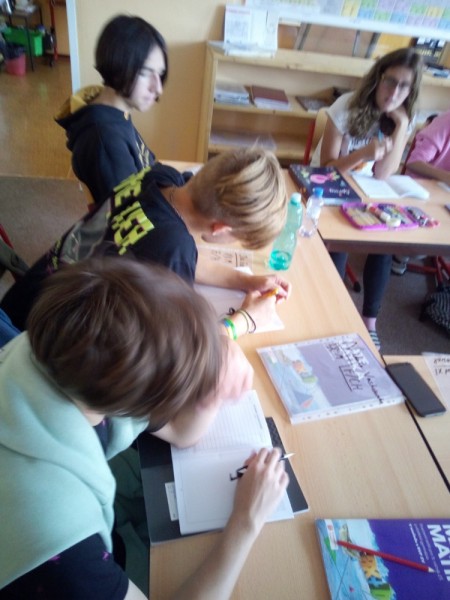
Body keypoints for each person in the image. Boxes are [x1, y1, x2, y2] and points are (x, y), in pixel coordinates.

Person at [0, 258, 289, 599]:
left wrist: (210, 388)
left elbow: (182, 434)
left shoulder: (61, 346)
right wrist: (246, 521)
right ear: (137, 401)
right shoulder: (56, 539)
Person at [311, 48, 423, 349]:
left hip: (368, 191)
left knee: (385, 242)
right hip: (328, 186)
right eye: (390, 81)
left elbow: (383, 173)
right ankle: (330, 315)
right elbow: (326, 168)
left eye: (404, 86)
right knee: (339, 242)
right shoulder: (347, 106)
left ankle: (369, 321)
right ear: (378, 78)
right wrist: (362, 154)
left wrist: (401, 127)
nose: (394, 93)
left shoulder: (403, 116)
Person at [55, 15, 168, 205]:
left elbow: (148, 163)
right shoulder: (105, 140)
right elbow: (131, 213)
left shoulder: (117, 114)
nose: (158, 88)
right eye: (145, 72)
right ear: (117, 66)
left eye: (160, 74)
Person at [392, 111, 448, 275]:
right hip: (422, 192)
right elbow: (414, 162)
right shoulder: (444, 123)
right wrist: (446, 177)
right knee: (420, 246)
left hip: (443, 195)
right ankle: (400, 254)